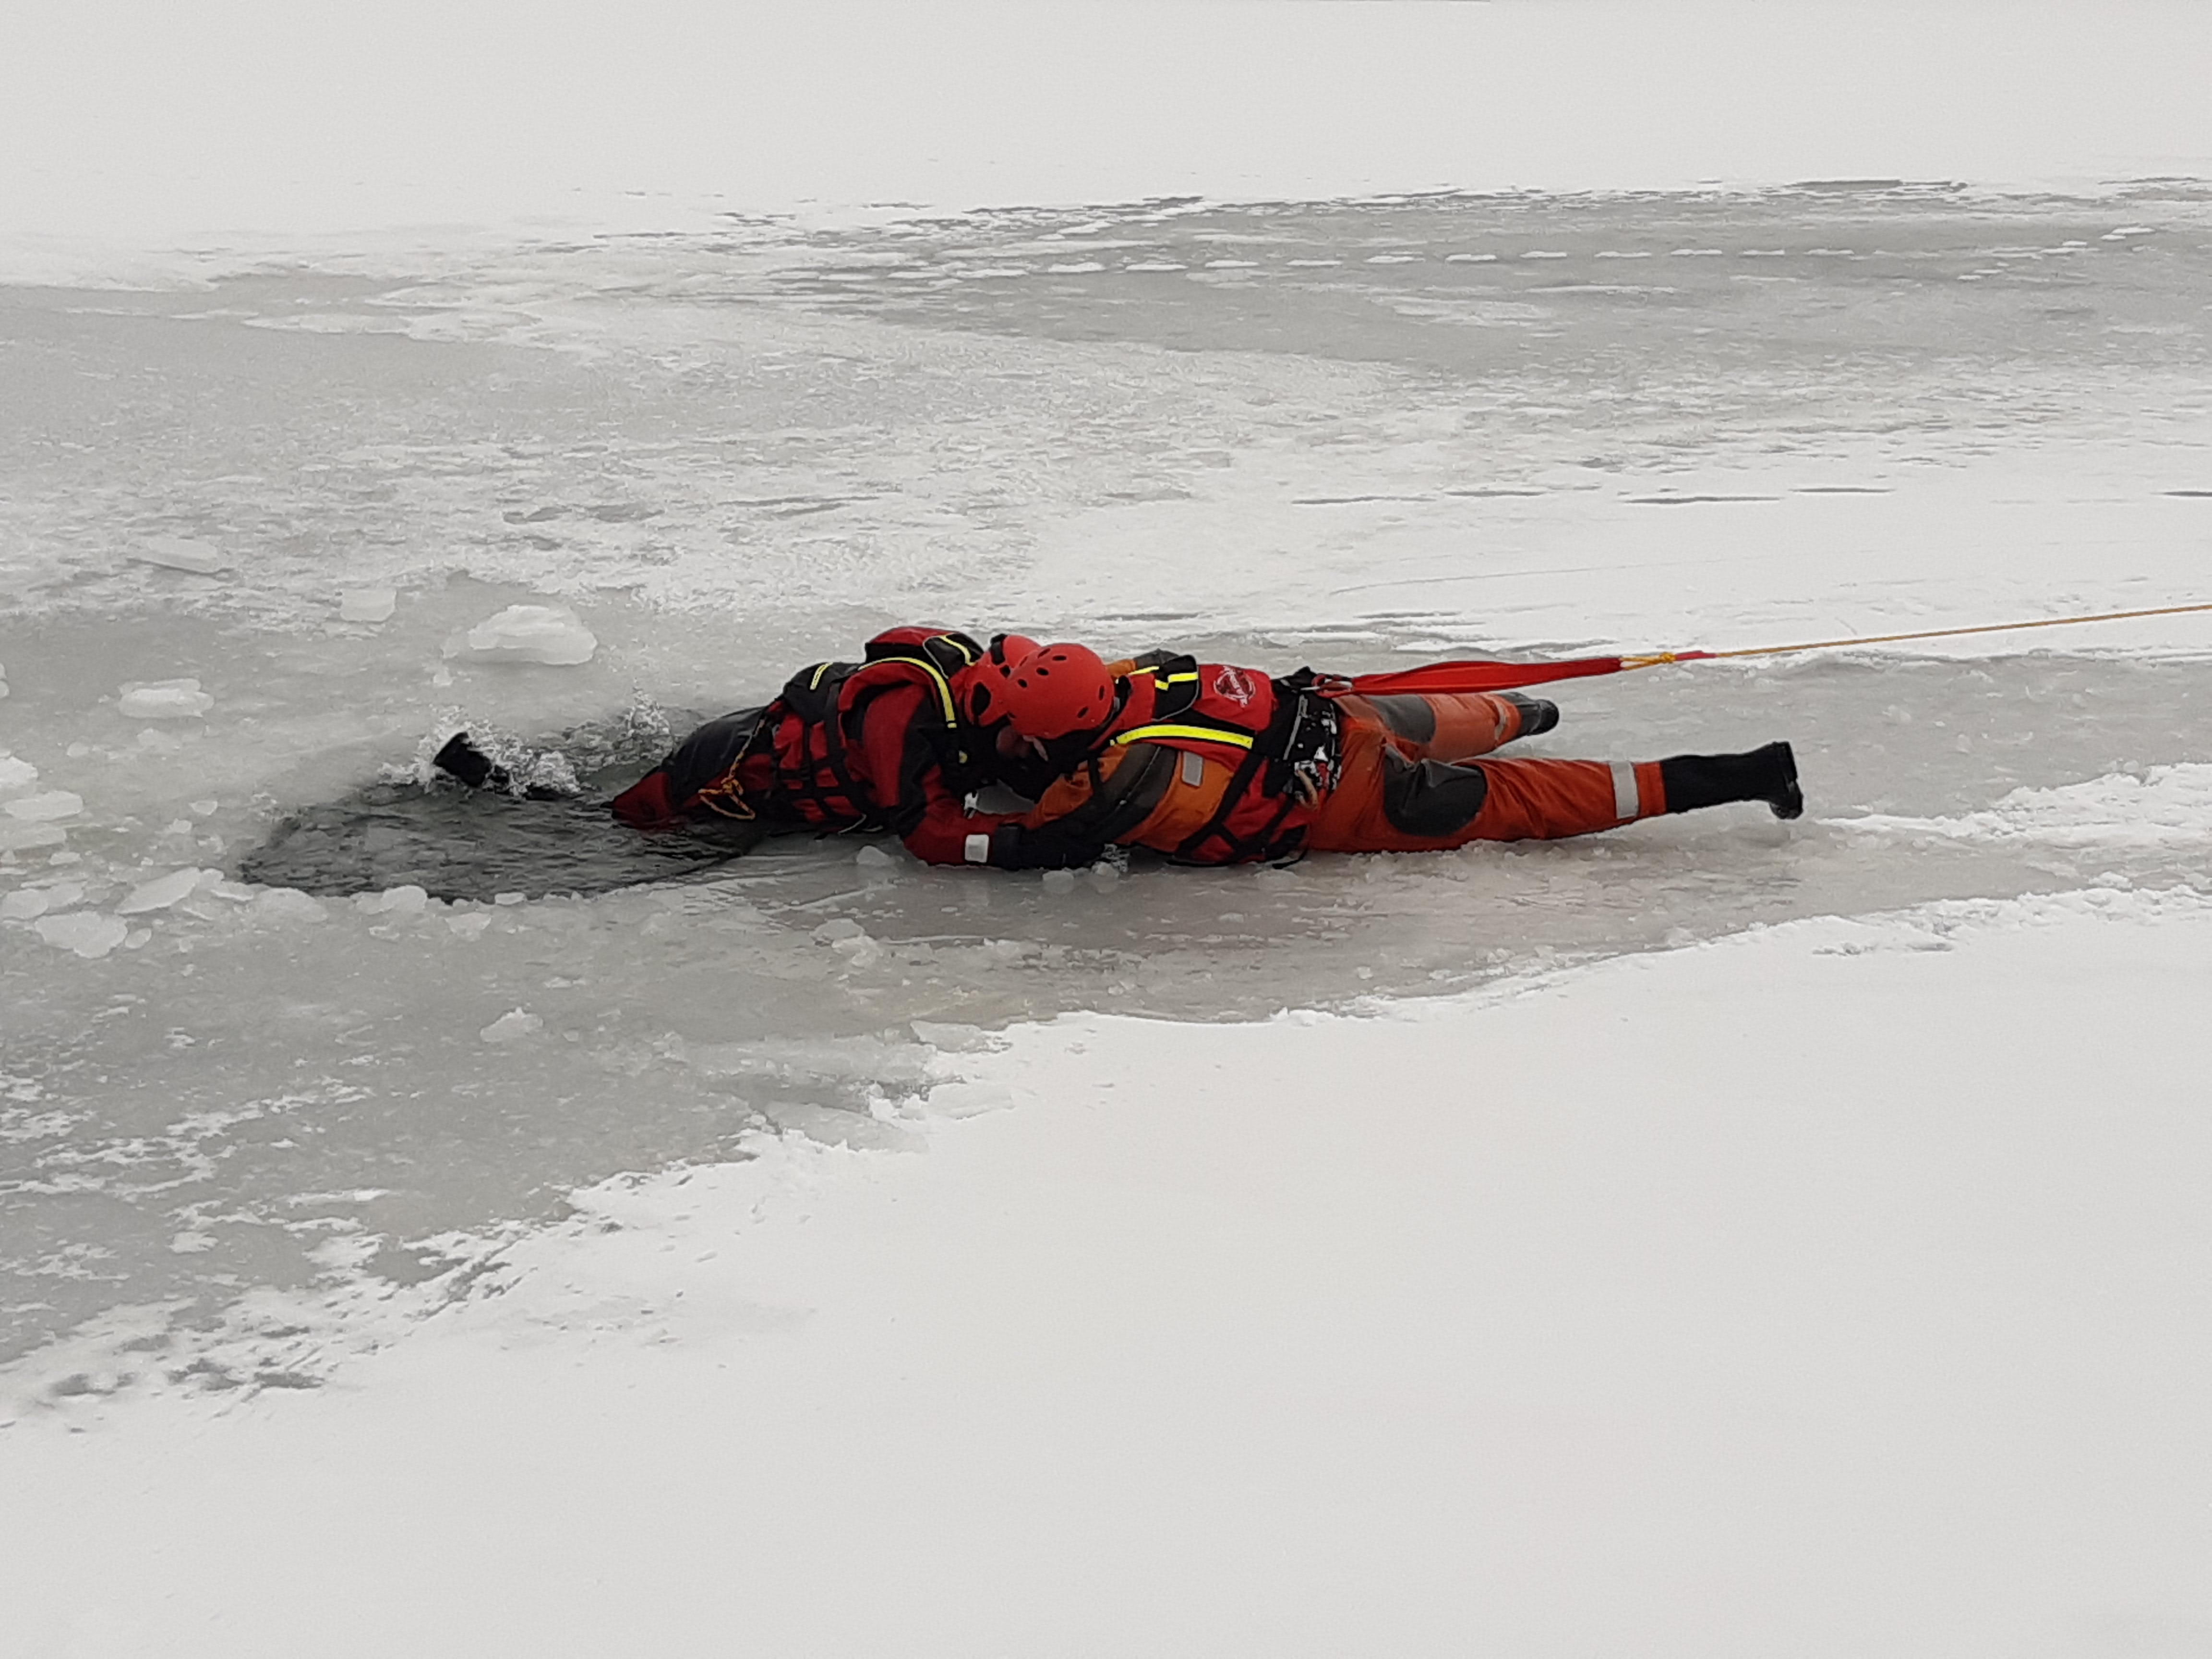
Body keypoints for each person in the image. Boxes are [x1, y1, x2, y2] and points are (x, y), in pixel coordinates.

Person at [963, 642, 1802, 868]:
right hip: (1342, 715)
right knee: (1454, 716)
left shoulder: (1114, 780)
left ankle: (1754, 771)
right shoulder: (1145, 675)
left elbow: (1037, 840)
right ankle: (1525, 711)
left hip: (1357, 800)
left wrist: (942, 825)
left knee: (1548, 799)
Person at [596, 625, 1049, 864]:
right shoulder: (903, 714)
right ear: (990, 713)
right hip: (718, 774)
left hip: (759, 762)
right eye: (1024, 739)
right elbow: (927, 833)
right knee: (614, 831)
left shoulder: (980, 717)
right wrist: (1032, 840)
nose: (1029, 751)